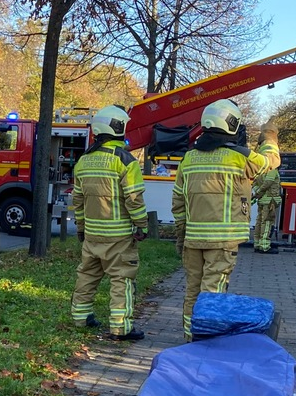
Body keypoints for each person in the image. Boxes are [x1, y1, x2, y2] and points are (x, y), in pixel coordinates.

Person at [172, 99, 276, 339]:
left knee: (193, 290)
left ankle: (190, 336)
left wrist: (181, 235)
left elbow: (178, 201)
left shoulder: (189, 158)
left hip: (193, 239)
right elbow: (270, 162)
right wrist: (270, 137)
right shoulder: (240, 157)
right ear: (231, 124)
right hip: (223, 241)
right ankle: (206, 340)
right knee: (213, 292)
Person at [71, 105, 149, 341]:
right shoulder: (125, 161)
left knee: (87, 276)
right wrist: (142, 225)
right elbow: (134, 198)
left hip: (92, 234)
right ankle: (121, 327)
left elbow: (78, 200)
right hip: (119, 236)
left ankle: (81, 317)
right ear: (118, 128)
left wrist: (81, 228)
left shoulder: (83, 161)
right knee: (121, 279)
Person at [251, 123, 283, 254]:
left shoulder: (260, 167)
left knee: (259, 221)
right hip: (270, 200)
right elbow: (268, 182)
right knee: (267, 222)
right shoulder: (272, 167)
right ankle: (265, 246)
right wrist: (259, 193)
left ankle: (257, 243)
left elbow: (256, 182)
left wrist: (257, 194)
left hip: (263, 200)